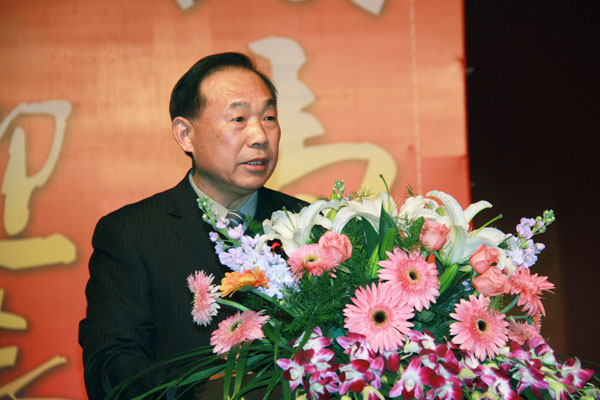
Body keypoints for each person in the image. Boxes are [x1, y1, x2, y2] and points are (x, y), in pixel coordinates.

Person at [78, 52, 307, 399]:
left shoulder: (307, 225)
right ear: (185, 134)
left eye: (269, 118)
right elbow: (110, 364)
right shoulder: (131, 233)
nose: (260, 136)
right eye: (239, 118)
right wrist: (204, 394)